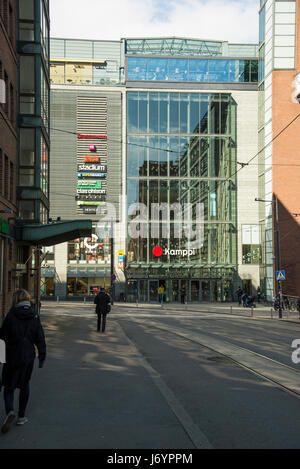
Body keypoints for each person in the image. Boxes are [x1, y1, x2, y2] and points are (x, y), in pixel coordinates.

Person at [0, 289, 46, 434]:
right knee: (25, 384)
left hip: (11, 355)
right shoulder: (34, 316)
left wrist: (1, 358)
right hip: (28, 356)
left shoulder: (10, 316)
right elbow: (40, 337)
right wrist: (42, 355)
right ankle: (21, 416)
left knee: (8, 386)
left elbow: (2, 339)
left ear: (15, 300)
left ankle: (9, 411)